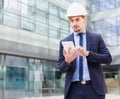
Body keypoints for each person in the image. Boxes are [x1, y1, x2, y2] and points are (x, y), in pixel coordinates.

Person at [58, 2, 112, 99]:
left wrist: (88, 54)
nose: (74, 24)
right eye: (72, 20)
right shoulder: (64, 41)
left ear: (84, 19)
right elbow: (61, 69)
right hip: (73, 90)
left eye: (77, 19)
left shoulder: (96, 38)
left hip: (94, 89)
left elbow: (108, 59)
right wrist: (67, 61)